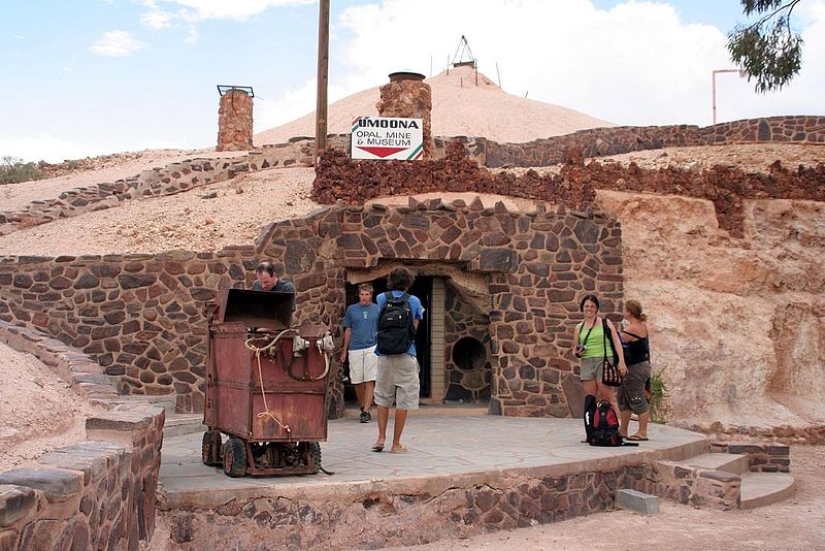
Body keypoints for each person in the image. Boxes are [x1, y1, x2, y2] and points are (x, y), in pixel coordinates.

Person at [372, 267, 424, 453]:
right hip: (406, 353)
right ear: (408, 282)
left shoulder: (380, 298)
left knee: (383, 398)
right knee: (403, 400)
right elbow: (415, 327)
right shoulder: (414, 301)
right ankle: (396, 444)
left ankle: (380, 438)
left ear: (390, 280)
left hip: (384, 354)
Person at [572, 294, 627, 441]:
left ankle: (616, 429)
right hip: (587, 362)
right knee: (591, 398)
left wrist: (621, 361)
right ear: (582, 308)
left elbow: (616, 342)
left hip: (604, 361)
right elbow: (574, 349)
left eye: (592, 306)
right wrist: (578, 351)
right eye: (586, 306)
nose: (589, 309)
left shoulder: (605, 323)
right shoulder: (579, 327)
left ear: (596, 308)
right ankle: (591, 432)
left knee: (608, 396)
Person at [340, 283, 380, 423]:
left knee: (370, 379)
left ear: (371, 295)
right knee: (357, 380)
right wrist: (344, 350)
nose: (364, 297)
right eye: (362, 294)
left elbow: (381, 328)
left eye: (367, 294)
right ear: (359, 295)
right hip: (355, 347)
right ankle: (363, 406)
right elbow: (348, 330)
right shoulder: (352, 310)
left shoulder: (377, 309)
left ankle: (366, 411)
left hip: (372, 347)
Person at [618, 299, 652, 441]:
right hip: (640, 365)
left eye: (625, 309)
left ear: (629, 312)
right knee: (624, 399)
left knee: (637, 398)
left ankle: (642, 431)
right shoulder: (642, 326)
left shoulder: (632, 329)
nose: (623, 312)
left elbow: (618, 343)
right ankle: (623, 430)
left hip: (635, 368)